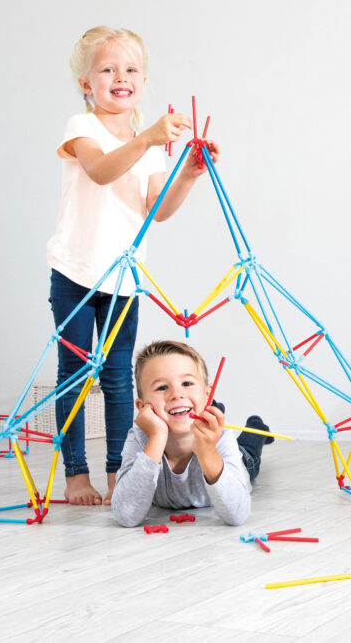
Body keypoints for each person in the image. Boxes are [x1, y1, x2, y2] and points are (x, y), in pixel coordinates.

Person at [47, 27, 219, 506]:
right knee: (75, 375)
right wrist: (146, 137)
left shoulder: (151, 146)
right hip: (76, 273)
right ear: (86, 82)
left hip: (122, 279)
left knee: (120, 378)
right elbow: (101, 171)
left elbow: (157, 208)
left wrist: (187, 172)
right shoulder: (82, 129)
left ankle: (118, 472)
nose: (120, 77)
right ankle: (77, 474)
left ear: (143, 80)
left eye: (130, 70)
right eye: (108, 69)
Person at [111, 340, 273, 527]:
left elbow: (237, 515)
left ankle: (257, 425)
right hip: (168, 433)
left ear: (207, 396)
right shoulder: (140, 437)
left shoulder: (221, 436)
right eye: (162, 387)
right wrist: (157, 437)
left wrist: (207, 452)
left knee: (249, 453)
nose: (176, 394)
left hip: (237, 462)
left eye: (187, 383)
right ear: (141, 407)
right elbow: (126, 515)